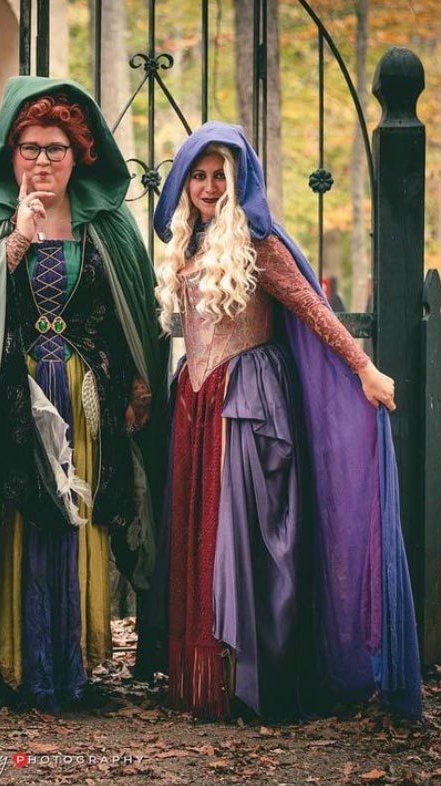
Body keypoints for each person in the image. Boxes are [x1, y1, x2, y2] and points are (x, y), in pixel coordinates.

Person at [148, 122, 421, 722]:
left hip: (246, 404)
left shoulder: (258, 243)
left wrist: (364, 369)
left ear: (239, 180)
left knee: (245, 535)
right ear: (184, 183)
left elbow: (313, 310)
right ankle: (202, 681)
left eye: (221, 176)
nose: (210, 187)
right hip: (196, 403)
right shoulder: (186, 246)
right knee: (199, 531)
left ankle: (249, 678)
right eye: (199, 176)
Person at [0, 77, 168, 715]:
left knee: (77, 522)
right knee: (14, 522)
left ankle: (67, 668)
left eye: (57, 148)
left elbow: (129, 311)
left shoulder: (106, 221)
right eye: (30, 147)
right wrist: (19, 237)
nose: (43, 160)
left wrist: (138, 380)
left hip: (83, 404)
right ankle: (12, 665)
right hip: (5, 401)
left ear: (79, 153)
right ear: (10, 152)